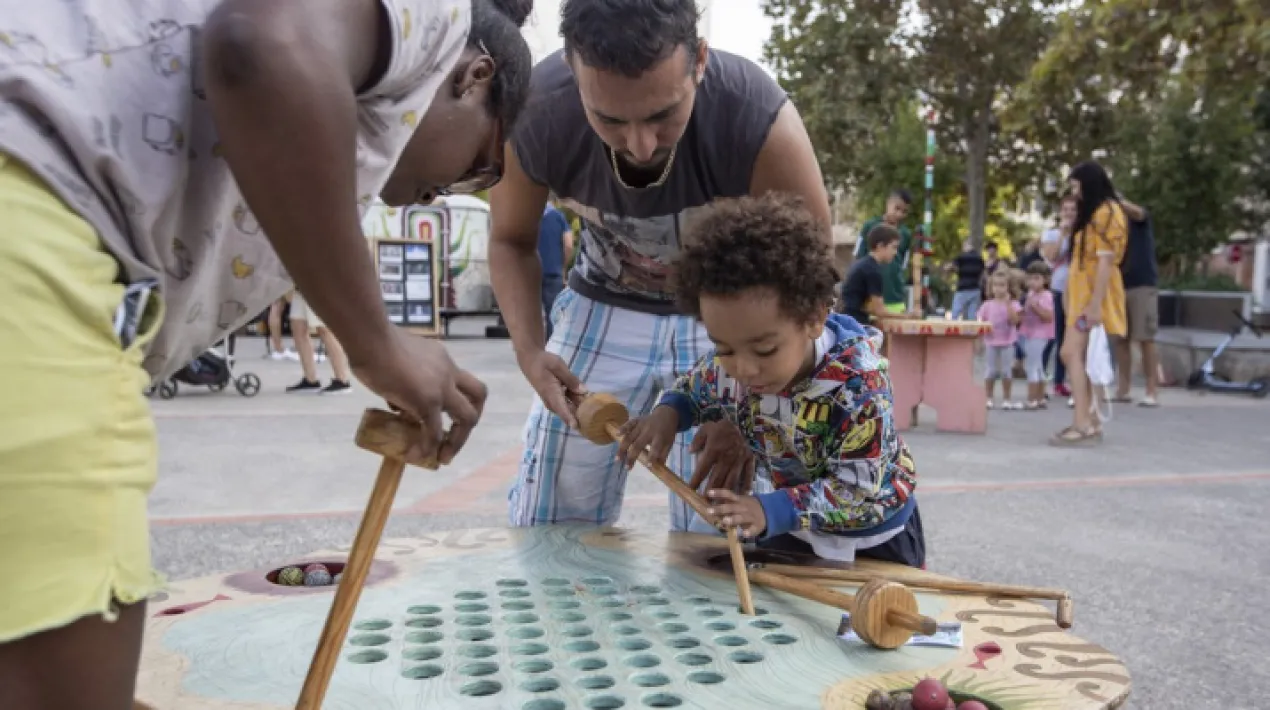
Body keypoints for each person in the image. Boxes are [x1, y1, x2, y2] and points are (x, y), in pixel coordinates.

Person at [0, 0, 534, 707]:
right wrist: (376, 344)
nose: (437, 195)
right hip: (32, 238)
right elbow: (261, 41)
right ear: (472, 77)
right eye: (479, 167)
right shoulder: (436, 18)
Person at [488, 0, 833, 531]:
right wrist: (531, 352)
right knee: (551, 514)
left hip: (728, 321)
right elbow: (511, 240)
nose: (640, 145)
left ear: (699, 60)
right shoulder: (538, 111)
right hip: (602, 299)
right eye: (608, 118)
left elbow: (810, 276)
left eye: (662, 115)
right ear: (572, 69)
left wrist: (752, 415)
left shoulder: (755, 116)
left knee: (726, 526)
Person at [616, 193, 924, 566]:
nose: (743, 369)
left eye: (764, 351)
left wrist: (769, 511)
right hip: (795, 528)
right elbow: (695, 388)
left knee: (873, 622)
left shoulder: (858, 385)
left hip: (876, 535)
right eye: (724, 348)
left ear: (813, 318)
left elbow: (856, 490)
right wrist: (667, 414)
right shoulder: (729, 367)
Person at [1052, 161, 1130, 447]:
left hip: (1093, 294)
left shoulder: (1107, 213)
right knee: (1079, 356)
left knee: (1070, 353)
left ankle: (1082, 422)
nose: (1075, 192)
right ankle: (1090, 420)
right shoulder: (1097, 213)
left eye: (1076, 185)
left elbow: (1107, 261)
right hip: (1083, 293)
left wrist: (1095, 304)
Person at [1113, 199, 1161, 408]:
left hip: (1142, 284)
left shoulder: (1139, 222)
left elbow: (1140, 212)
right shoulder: (1112, 227)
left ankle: (1152, 390)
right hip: (1118, 285)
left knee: (1145, 338)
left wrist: (1113, 198)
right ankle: (1124, 389)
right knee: (1121, 339)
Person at [1041, 195, 1077, 399]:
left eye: (1073, 209)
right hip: (1058, 288)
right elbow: (1051, 257)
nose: (1069, 213)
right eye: (1066, 209)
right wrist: (1063, 235)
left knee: (1068, 337)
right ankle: (1040, 379)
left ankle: (1060, 381)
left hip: (1078, 291)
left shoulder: (1083, 233)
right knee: (1051, 335)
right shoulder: (1052, 234)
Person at [854, 190, 914, 313]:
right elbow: (858, 258)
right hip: (869, 298)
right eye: (896, 208)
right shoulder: (869, 226)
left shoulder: (906, 234)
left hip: (894, 296)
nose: (899, 214)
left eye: (904, 211)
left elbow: (902, 265)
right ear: (888, 203)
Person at [285, 292, 354, 394]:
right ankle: (311, 380)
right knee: (298, 328)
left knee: (324, 329)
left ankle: (342, 380)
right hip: (300, 288)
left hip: (316, 287)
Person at [978, 271, 1023, 410]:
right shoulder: (987, 305)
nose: (999, 288)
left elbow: (1015, 320)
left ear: (1008, 287)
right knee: (990, 370)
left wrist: (1008, 304)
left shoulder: (1014, 304)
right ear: (991, 287)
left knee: (1006, 371)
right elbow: (980, 322)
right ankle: (988, 398)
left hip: (1008, 341)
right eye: (996, 285)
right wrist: (979, 340)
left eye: (1002, 285)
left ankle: (1007, 399)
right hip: (991, 341)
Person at [840, 224, 901, 326]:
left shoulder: (864, 264)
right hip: (854, 323)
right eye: (893, 247)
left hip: (846, 319)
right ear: (880, 246)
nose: (895, 253)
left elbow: (869, 307)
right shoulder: (873, 270)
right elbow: (879, 311)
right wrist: (909, 316)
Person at [1019, 261, 1056, 410]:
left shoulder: (1046, 296)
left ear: (1045, 280)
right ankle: (1040, 398)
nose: (1032, 282)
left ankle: (1032, 398)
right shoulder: (1031, 294)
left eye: (1037, 278)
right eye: (1030, 278)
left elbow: (1048, 316)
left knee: (1032, 366)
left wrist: (1035, 307)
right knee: (1039, 366)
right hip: (1029, 331)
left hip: (1039, 333)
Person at [536, 201, 572, 342]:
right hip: (553, 272)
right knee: (554, 314)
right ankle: (550, 348)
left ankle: (533, 349)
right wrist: (563, 268)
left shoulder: (529, 217)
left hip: (530, 274)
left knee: (531, 314)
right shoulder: (558, 217)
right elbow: (568, 245)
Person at [949, 238, 985, 320]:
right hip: (975, 288)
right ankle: (971, 332)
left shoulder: (961, 257)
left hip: (962, 288)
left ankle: (953, 331)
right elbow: (983, 272)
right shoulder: (979, 258)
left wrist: (954, 270)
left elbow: (952, 267)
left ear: (965, 245)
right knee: (972, 315)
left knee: (955, 313)